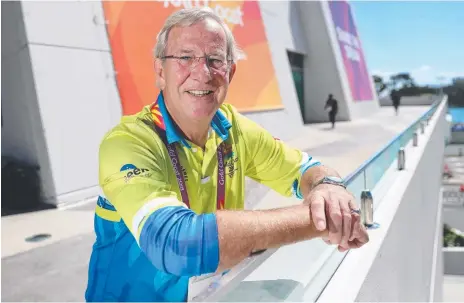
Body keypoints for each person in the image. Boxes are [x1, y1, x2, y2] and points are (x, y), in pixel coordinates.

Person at [85, 7, 369, 302]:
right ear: (160, 71)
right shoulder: (128, 141)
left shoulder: (232, 127)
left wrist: (328, 186)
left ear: (230, 72)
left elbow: (306, 169)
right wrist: (322, 221)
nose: (202, 73)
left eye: (215, 59)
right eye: (185, 57)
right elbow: (176, 244)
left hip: (212, 294)